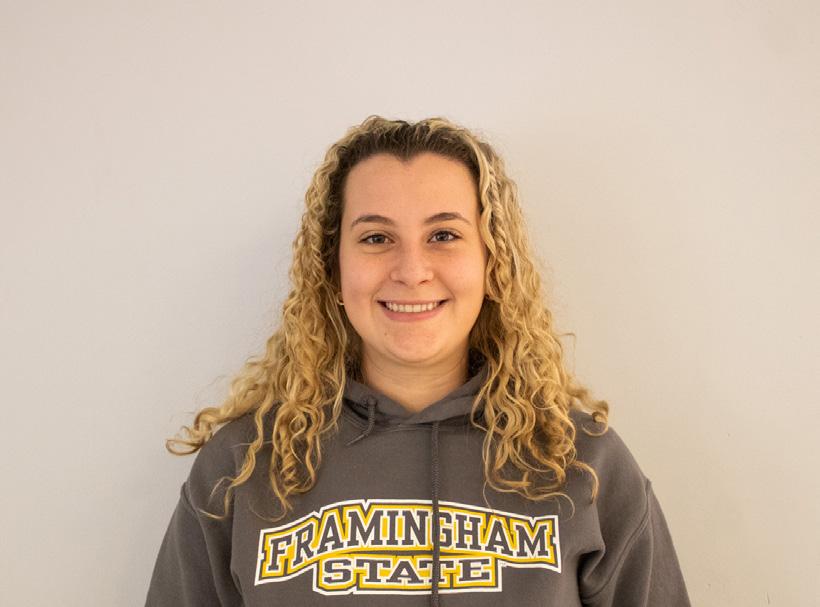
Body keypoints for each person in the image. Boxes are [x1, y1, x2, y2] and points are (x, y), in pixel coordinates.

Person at [145, 115, 691, 606]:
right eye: (376, 237)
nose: (411, 270)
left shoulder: (580, 462)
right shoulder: (242, 466)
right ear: (333, 270)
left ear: (493, 263)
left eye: (444, 235)